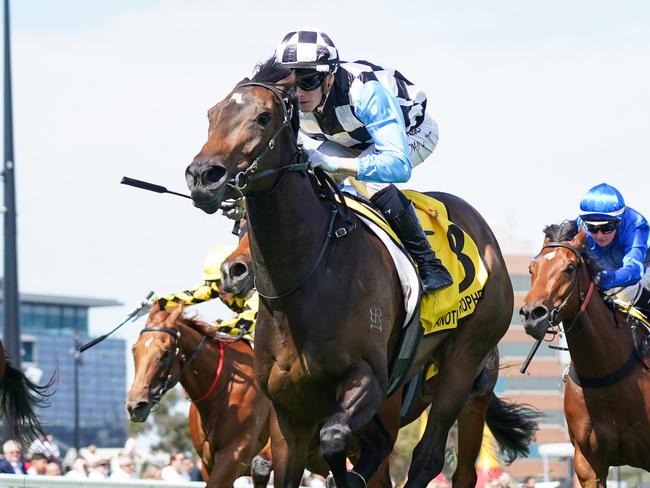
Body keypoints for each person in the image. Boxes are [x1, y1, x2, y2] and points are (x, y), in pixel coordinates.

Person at [274, 28, 453, 293]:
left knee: (373, 183)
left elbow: (397, 166)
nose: (298, 93)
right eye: (291, 83)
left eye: (308, 81)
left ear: (329, 79)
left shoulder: (365, 91)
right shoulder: (286, 98)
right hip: (349, 141)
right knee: (305, 184)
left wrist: (336, 165)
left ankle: (429, 264)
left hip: (410, 133)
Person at [153, 243, 258, 337]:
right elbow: (190, 296)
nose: (220, 288)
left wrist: (218, 326)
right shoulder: (215, 287)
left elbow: (249, 321)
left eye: (222, 282)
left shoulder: (254, 292)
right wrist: (158, 303)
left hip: (262, 322)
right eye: (216, 282)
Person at [576, 183, 650, 314]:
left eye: (606, 228)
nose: (599, 235)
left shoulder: (636, 224)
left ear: (619, 221)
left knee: (626, 292)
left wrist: (607, 278)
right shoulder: (579, 226)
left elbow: (635, 269)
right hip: (606, 270)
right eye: (592, 228)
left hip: (643, 268)